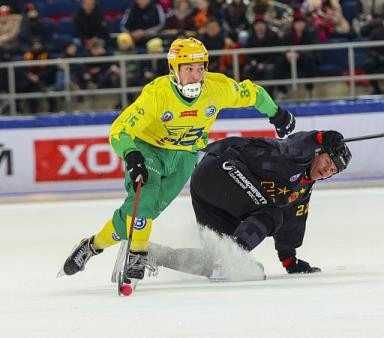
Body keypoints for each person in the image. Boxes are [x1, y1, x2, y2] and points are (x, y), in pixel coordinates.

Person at [60, 37, 296, 285]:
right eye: (189, 69)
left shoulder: (217, 88)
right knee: (146, 202)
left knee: (140, 214)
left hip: (184, 157)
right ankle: (138, 254)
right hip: (148, 150)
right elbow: (120, 130)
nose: (196, 75)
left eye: (200, 68)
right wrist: (132, 155)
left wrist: (277, 113)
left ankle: (92, 245)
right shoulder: (157, 94)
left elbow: (253, 94)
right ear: (174, 69)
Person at [148, 129, 352, 278]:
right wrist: (323, 137)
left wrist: (289, 260)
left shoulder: (303, 189)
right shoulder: (296, 156)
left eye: (333, 171)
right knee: (271, 215)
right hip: (221, 167)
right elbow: (296, 142)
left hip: (211, 192)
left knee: (214, 257)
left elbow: (294, 221)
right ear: (318, 153)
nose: (327, 171)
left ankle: (148, 253)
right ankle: (230, 260)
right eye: (327, 163)